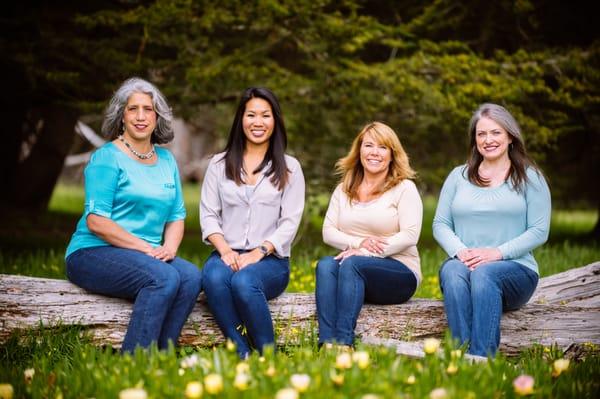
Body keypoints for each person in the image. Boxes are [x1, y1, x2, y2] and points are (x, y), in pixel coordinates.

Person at [65, 77, 202, 353]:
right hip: (93, 252)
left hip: (145, 255)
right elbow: (97, 221)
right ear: (121, 116)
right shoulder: (107, 157)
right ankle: (135, 360)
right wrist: (146, 249)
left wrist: (169, 249)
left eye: (148, 109)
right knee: (163, 278)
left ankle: (162, 356)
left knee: (190, 277)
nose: (141, 116)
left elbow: (176, 215)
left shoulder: (166, 160)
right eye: (133, 109)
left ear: (157, 116)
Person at [433, 103, 551, 357]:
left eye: (496, 133)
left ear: (510, 136)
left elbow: (539, 230)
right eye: (481, 134)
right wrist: (461, 252)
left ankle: (481, 358)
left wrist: (496, 253)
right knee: (452, 270)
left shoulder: (531, 178)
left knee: (485, 274)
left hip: (516, 271)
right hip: (465, 264)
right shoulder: (457, 176)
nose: (488, 140)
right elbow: (440, 224)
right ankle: (459, 354)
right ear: (474, 141)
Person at [200, 87, 305, 358]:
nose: (258, 122)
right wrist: (225, 251)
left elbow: (290, 222)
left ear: (275, 121)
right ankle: (242, 351)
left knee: (244, 282)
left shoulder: (290, 167)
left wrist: (259, 252)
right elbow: (209, 214)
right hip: (226, 252)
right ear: (241, 119)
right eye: (251, 115)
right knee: (212, 277)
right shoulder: (218, 164)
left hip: (271, 260)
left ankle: (267, 355)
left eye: (265, 115)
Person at [315, 121, 423, 347]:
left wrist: (363, 252)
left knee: (353, 263)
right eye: (369, 145)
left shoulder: (404, 188)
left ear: (392, 155)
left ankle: (344, 344)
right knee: (325, 265)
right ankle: (327, 344)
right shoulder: (344, 189)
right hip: (352, 272)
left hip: (399, 273)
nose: (375, 152)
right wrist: (359, 242)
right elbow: (328, 232)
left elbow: (410, 235)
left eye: (383, 147)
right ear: (359, 151)